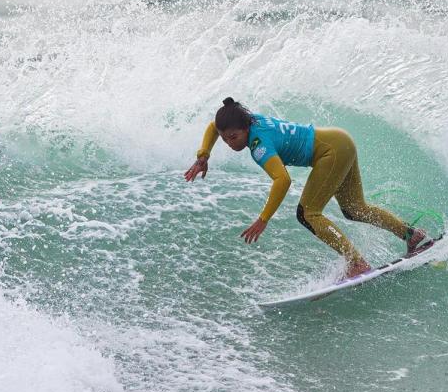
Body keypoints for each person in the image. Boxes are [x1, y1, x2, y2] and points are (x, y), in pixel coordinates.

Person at [184, 97, 429, 279]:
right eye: (225, 138)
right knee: (354, 209)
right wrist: (203, 155)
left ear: (246, 129)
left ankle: (355, 263)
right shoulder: (248, 120)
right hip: (341, 141)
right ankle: (411, 234)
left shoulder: (259, 146)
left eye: (233, 137)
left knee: (307, 213)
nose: (229, 143)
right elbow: (212, 127)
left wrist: (263, 219)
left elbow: (282, 181)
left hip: (331, 152)